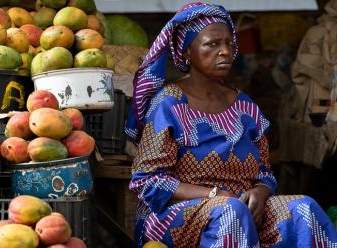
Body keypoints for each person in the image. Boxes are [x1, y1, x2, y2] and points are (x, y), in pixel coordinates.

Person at [124, 2, 337, 247]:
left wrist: (259, 192)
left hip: (240, 209)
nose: (225, 51)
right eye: (212, 44)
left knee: (305, 209)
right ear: (186, 52)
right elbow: (147, 180)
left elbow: (264, 173)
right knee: (231, 213)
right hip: (177, 216)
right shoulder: (168, 105)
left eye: (229, 43)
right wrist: (214, 195)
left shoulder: (246, 107)